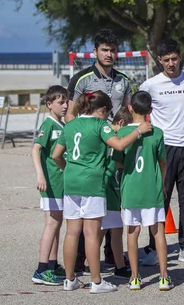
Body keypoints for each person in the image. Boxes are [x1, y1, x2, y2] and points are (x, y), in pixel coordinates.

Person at [52, 91, 152, 293]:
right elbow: (120, 144)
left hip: (71, 182)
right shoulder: (100, 125)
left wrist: (69, 170)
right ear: (103, 109)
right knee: (91, 233)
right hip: (92, 184)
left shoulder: (70, 125)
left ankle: (70, 279)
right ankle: (96, 282)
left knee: (72, 232)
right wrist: (139, 131)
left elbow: (56, 155)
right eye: (107, 111)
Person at [65, 29, 131, 270]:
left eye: (113, 50)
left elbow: (126, 113)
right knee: (84, 212)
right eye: (105, 49)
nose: (109, 54)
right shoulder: (82, 80)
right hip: (90, 151)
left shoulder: (123, 80)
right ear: (95, 51)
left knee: (111, 203)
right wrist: (90, 136)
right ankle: (80, 260)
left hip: (113, 150)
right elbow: (71, 116)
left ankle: (112, 254)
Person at [138, 39, 184, 265]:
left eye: (174, 59)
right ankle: (154, 249)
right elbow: (136, 109)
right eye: (166, 60)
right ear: (159, 61)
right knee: (160, 199)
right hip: (163, 150)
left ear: (180, 57)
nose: (171, 64)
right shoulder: (150, 84)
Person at [114, 91, 174, 291]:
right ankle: (164, 277)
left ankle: (134, 277)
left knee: (132, 232)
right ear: (151, 110)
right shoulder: (157, 132)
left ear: (130, 108)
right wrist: (163, 184)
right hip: (152, 188)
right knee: (158, 232)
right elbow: (163, 162)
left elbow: (119, 162)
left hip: (131, 188)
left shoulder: (122, 133)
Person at [30, 85, 69, 286]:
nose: (64, 106)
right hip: (51, 184)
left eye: (66, 102)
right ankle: (41, 268)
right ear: (49, 104)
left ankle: (52, 264)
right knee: (51, 224)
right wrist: (40, 174)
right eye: (60, 102)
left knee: (57, 224)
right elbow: (35, 149)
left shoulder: (61, 125)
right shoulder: (49, 125)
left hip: (61, 184)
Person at [102, 107, 133, 278]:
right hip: (107, 187)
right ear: (121, 123)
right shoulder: (112, 137)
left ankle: (119, 263)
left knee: (113, 227)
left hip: (112, 187)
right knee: (109, 229)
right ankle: (118, 265)